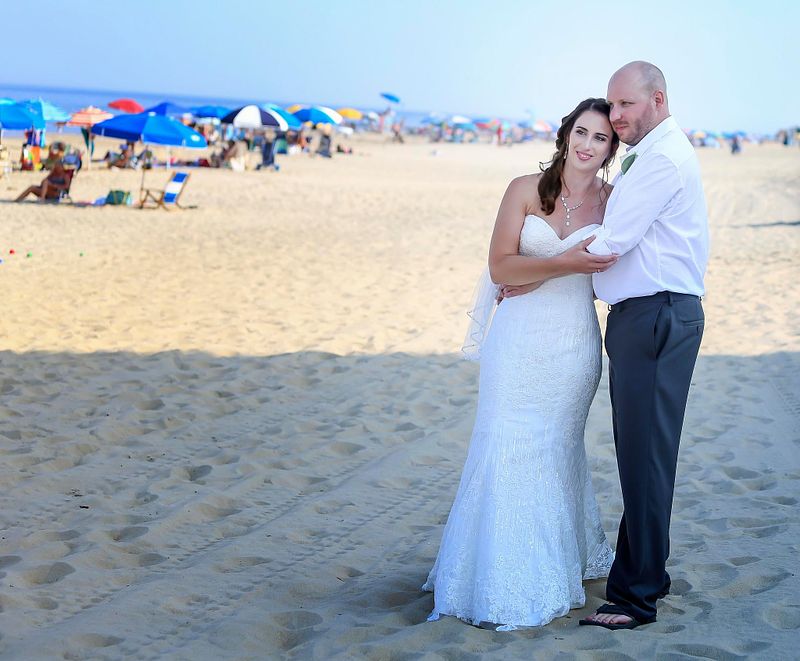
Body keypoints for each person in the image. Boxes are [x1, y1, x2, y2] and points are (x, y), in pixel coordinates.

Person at [422, 98, 621, 630]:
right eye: (582, 132)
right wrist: (562, 263)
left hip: (573, 346)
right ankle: (488, 572)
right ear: (566, 135)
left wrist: (543, 272)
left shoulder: (614, 202)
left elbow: (613, 271)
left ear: (611, 149)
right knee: (504, 442)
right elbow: (499, 266)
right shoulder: (523, 190)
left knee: (556, 449)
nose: (588, 145)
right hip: (516, 344)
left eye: (601, 138)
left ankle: (553, 564)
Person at [578, 61, 708, 630]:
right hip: (653, 316)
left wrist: (534, 269)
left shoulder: (660, 158)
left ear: (657, 99)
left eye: (625, 104)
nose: (615, 116)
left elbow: (612, 243)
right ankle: (646, 573)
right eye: (611, 104)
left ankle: (636, 597)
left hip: (656, 316)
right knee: (644, 454)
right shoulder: (652, 151)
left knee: (645, 458)